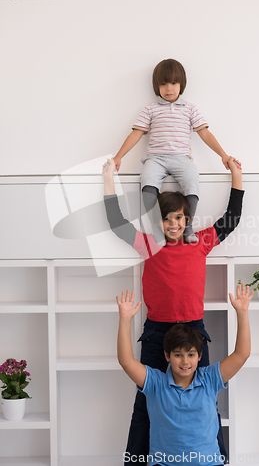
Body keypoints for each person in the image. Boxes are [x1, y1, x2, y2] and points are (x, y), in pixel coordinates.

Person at [102, 155, 243, 465]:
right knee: (144, 405)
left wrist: (235, 174)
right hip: (157, 332)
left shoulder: (201, 241)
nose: (174, 224)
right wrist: (109, 180)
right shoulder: (149, 244)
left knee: (206, 402)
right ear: (159, 220)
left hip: (193, 331)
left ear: (187, 218)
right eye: (168, 218)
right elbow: (116, 224)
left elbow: (232, 217)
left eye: (180, 217)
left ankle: (217, 460)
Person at [117, 283, 253, 466]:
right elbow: (126, 361)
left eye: (191, 355)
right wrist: (125, 318)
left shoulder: (210, 379)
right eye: (178, 355)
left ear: (199, 356)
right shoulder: (155, 383)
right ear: (167, 356)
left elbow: (241, 354)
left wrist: (242, 312)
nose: (185, 362)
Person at [112, 58, 241, 243]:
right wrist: (118, 157)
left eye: (173, 83)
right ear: (157, 86)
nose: (168, 88)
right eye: (163, 84)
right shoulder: (150, 109)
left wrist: (224, 155)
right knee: (147, 183)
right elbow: (136, 134)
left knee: (192, 182)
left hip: (182, 158)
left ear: (182, 84)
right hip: (155, 159)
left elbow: (204, 133)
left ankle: (187, 228)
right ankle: (158, 230)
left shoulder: (189, 109)